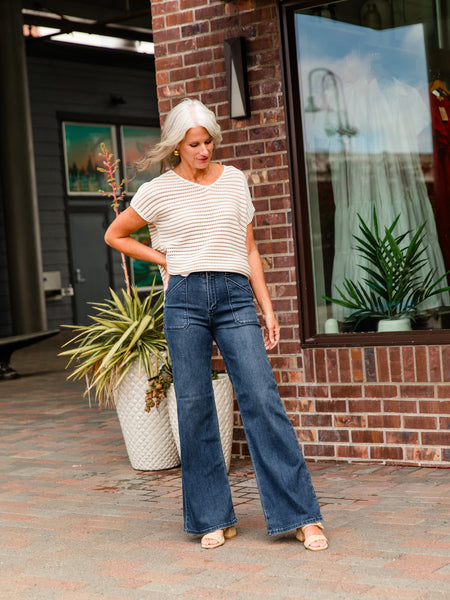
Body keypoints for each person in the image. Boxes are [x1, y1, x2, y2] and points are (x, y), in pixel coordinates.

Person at [104, 98, 328, 552]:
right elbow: (115, 234)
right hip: (184, 300)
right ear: (177, 147)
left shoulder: (235, 182)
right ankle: (212, 517)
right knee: (194, 404)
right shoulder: (159, 191)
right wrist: (164, 258)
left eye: (208, 141)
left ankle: (301, 516)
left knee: (262, 398)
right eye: (195, 144)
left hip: (235, 297)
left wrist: (267, 306)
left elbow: (249, 250)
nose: (204, 150)